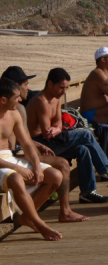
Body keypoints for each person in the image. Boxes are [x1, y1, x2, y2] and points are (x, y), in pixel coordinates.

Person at [1, 67, 85, 223]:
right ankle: (61, 211)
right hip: (13, 155)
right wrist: (34, 155)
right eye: (25, 84)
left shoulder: (16, 109)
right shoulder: (16, 108)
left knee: (77, 153)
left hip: (21, 151)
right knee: (63, 164)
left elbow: (24, 139)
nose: (28, 88)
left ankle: (34, 214)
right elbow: (20, 142)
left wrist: (37, 149)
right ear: (15, 86)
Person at [27, 68, 108, 204]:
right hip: (40, 146)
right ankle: (106, 169)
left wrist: (57, 129)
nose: (64, 92)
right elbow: (47, 133)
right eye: (61, 88)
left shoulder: (56, 98)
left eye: (66, 88)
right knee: (86, 134)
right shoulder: (41, 101)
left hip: (53, 141)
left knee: (83, 149)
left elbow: (58, 123)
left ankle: (87, 192)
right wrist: (56, 129)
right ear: (50, 84)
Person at [0, 79, 65, 240]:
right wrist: (18, 168)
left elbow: (27, 144)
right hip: (2, 164)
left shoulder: (14, 114)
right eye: (16, 97)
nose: (20, 100)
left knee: (55, 176)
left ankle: (27, 217)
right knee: (15, 177)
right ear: (3, 100)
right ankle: (40, 224)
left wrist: (36, 165)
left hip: (9, 157)